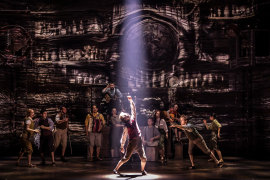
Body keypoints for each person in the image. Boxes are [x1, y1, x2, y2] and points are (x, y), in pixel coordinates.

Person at [113, 96, 147, 176]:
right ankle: (115, 169)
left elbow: (133, 110)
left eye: (126, 115)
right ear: (124, 119)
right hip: (132, 142)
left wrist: (131, 101)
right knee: (126, 158)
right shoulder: (126, 126)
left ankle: (142, 170)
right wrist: (122, 146)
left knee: (144, 158)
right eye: (124, 116)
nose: (126, 116)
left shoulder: (133, 119)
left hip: (139, 141)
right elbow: (124, 137)